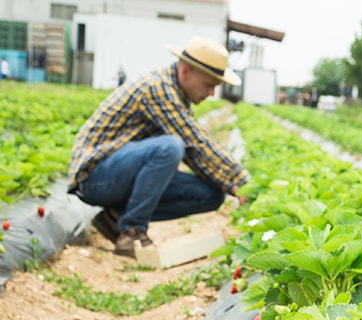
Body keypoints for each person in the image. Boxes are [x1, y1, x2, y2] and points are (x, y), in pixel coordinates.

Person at [68, 35, 249, 257]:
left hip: (119, 174)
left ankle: (115, 218)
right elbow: (194, 143)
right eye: (209, 85)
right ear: (185, 72)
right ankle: (132, 231)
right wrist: (241, 181)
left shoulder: (175, 93)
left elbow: (195, 153)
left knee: (210, 194)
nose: (212, 93)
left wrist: (230, 185)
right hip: (95, 177)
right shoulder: (157, 88)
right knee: (170, 147)